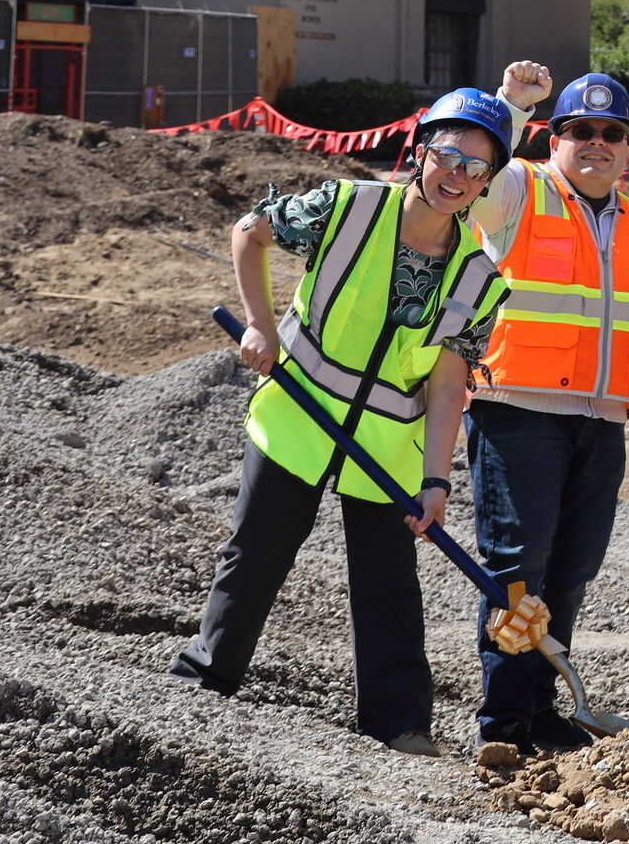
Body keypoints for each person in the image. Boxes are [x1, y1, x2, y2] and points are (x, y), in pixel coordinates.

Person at [171, 89, 516, 755]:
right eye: (449, 155)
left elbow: (448, 385)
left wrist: (437, 482)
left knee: (388, 584)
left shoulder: (478, 279)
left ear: (487, 183)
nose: (458, 177)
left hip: (383, 449)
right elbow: (251, 232)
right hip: (297, 420)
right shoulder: (347, 205)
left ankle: (399, 724)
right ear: (421, 150)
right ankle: (202, 679)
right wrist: (259, 327)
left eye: (477, 169)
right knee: (256, 555)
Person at [451, 63, 629, 753]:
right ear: (555, 138)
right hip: (516, 411)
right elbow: (468, 176)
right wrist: (509, 108)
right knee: (518, 567)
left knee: (572, 569)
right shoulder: (521, 188)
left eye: (613, 133)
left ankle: (544, 705)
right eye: (580, 129)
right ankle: (503, 720)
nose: (596, 142)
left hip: (600, 420)